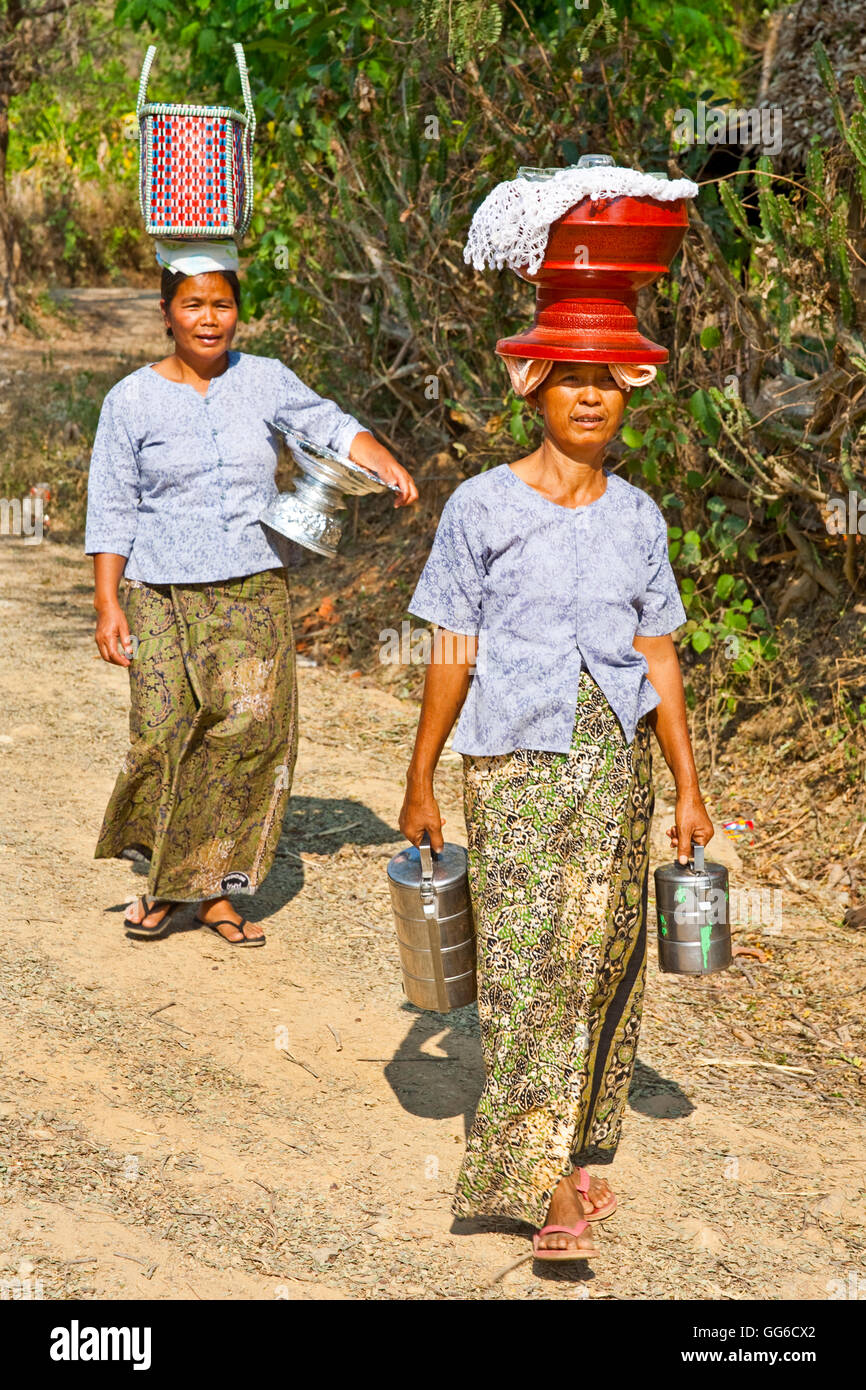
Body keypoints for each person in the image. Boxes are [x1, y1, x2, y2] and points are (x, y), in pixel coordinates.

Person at [399, 357, 713, 1260]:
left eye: (607, 382)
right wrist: (422, 778)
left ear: (626, 401)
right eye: (569, 379)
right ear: (531, 394)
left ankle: (571, 1149)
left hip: (615, 768)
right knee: (530, 963)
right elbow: (453, 650)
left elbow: (657, 659)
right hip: (513, 763)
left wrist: (688, 788)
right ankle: (541, 1186)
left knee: (602, 960)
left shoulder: (639, 517)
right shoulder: (481, 508)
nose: (589, 397)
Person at [86, 245, 417, 946]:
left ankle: (213, 891)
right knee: (163, 730)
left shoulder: (265, 381)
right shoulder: (131, 400)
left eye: (222, 304)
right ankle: (170, 875)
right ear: (167, 313)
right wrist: (108, 600)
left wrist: (380, 455)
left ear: (238, 310)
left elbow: (327, 424)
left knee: (249, 729)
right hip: (157, 590)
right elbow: (112, 504)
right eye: (193, 305)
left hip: (250, 582)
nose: (210, 320)